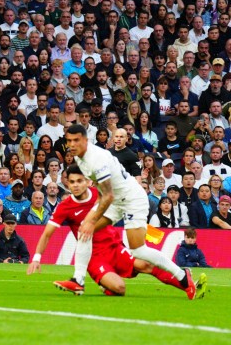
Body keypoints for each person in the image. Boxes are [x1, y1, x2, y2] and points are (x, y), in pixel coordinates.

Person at [55, 124, 199, 297]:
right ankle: (78, 281)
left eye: (76, 140)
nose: (71, 144)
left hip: (132, 199)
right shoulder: (79, 158)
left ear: (86, 140)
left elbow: (107, 195)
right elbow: (105, 192)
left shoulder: (96, 159)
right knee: (85, 231)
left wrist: (92, 218)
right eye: (69, 140)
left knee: (138, 250)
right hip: (115, 199)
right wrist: (90, 220)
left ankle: (183, 276)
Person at [28, 166, 205, 297]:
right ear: (67, 183)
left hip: (114, 246)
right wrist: (36, 257)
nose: (76, 185)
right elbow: (47, 233)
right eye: (72, 182)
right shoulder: (65, 206)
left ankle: (187, 284)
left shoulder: (101, 195)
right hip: (93, 256)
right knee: (120, 288)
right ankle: (102, 284)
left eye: (79, 181)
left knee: (145, 264)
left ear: (87, 181)